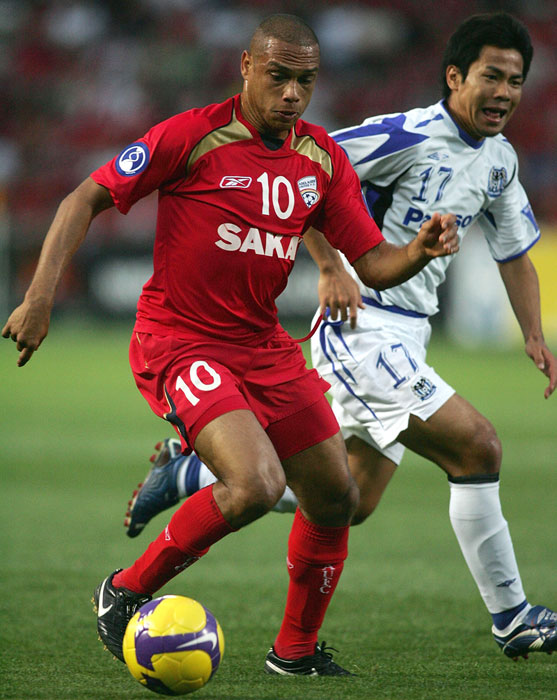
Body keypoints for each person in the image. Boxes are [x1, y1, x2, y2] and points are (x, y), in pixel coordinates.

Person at [2, 14, 459, 677]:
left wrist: (418, 250)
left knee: (337, 496)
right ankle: (124, 590)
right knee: (254, 485)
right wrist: (41, 295)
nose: (292, 94)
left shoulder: (321, 159)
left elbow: (373, 264)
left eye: (305, 81)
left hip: (262, 345)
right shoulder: (192, 134)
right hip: (179, 341)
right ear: (246, 66)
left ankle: (294, 653)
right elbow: (83, 199)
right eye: (279, 76)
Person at [122, 11, 557, 661]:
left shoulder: (499, 161)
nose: (503, 92)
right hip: (362, 325)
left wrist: (533, 334)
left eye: (515, 81)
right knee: (477, 447)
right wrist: (328, 265)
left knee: (349, 502)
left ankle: (191, 474)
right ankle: (512, 616)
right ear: (454, 77)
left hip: (409, 333)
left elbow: (514, 251)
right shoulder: (404, 135)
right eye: (490, 76)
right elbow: (299, 170)